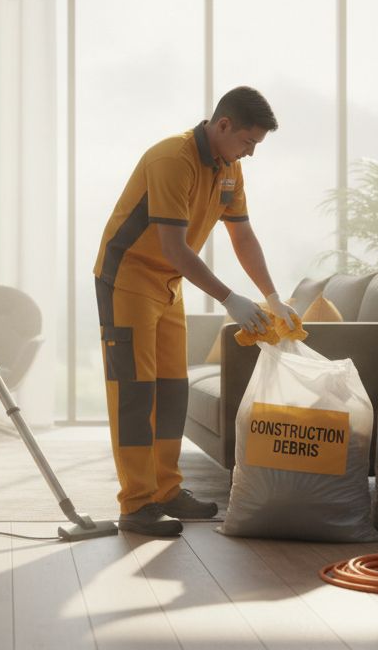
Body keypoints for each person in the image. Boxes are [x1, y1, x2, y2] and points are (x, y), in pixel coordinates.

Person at [93, 86, 299, 537]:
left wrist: (270, 295)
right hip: (127, 278)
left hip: (167, 285)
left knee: (171, 389)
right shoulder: (173, 159)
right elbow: (173, 245)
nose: (250, 153)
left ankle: (166, 491)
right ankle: (136, 503)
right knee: (135, 392)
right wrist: (229, 299)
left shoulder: (228, 168)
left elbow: (242, 236)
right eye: (248, 142)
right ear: (222, 125)